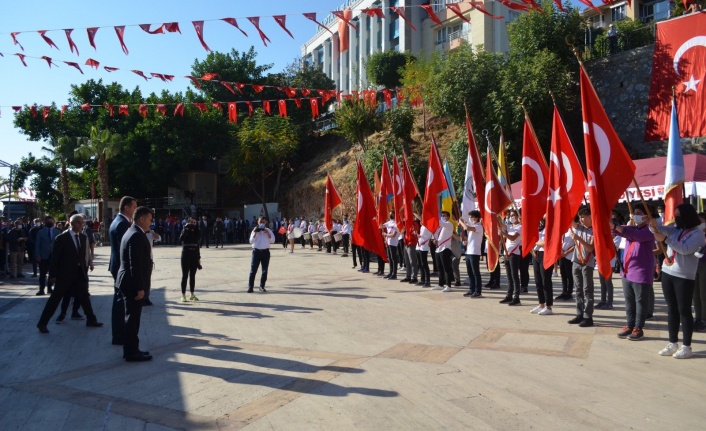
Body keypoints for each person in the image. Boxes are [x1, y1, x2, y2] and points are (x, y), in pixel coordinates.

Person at [651, 203, 705, 359]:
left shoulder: (697, 234)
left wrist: (666, 239)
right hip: (668, 272)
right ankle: (672, 342)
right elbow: (657, 231)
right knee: (672, 309)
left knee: (684, 311)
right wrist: (653, 225)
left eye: (678, 215)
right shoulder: (676, 229)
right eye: (675, 214)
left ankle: (687, 346)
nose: (675, 218)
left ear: (687, 216)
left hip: (684, 276)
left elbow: (685, 249)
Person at [36, 215, 103, 334]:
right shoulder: (61, 238)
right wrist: (52, 276)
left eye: (82, 223)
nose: (81, 225)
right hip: (64, 275)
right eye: (78, 223)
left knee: (84, 298)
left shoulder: (83, 237)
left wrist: (86, 267)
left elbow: (83, 255)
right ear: (71, 223)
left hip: (79, 273)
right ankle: (42, 323)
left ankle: (91, 320)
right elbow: (55, 259)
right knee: (55, 298)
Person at [610, 204, 656, 341]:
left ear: (646, 216)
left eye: (638, 213)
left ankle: (638, 328)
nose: (634, 215)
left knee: (640, 301)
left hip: (641, 272)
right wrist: (611, 223)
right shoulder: (633, 228)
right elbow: (621, 230)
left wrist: (615, 227)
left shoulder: (650, 230)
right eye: (634, 213)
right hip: (627, 271)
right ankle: (630, 325)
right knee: (629, 301)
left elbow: (635, 235)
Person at [115, 207, 154, 362]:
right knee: (132, 319)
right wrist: (139, 288)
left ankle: (133, 348)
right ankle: (131, 352)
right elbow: (134, 265)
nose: (151, 223)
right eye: (150, 219)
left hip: (128, 282)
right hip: (132, 284)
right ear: (142, 219)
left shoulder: (132, 231)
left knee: (132, 317)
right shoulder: (136, 235)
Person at [109, 196, 137, 346]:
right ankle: (118, 335)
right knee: (121, 303)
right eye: (133, 207)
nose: (135, 210)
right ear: (126, 207)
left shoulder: (118, 221)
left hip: (116, 266)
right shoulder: (122, 224)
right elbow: (126, 249)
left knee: (119, 301)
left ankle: (118, 334)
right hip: (121, 267)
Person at [568, 208, 596, 327]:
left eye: (583, 217)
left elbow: (591, 248)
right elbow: (570, 222)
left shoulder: (595, 231)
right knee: (578, 289)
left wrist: (578, 239)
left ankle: (588, 316)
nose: (581, 220)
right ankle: (579, 314)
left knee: (587, 290)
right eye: (579, 217)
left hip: (587, 263)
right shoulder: (580, 227)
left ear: (590, 217)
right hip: (576, 261)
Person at [531, 215, 555, 315]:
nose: (543, 218)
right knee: (538, 281)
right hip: (536, 253)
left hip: (546, 254)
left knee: (546, 280)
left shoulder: (552, 228)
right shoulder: (540, 227)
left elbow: (547, 242)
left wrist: (535, 241)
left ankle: (548, 306)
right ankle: (541, 304)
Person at [499, 210, 522, 305]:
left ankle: (516, 297)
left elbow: (513, 238)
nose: (511, 217)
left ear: (517, 216)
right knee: (509, 276)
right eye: (510, 215)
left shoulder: (520, 227)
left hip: (514, 254)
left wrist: (503, 233)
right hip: (506, 253)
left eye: (513, 215)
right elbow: (500, 224)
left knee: (514, 276)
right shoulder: (510, 226)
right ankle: (509, 295)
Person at [34, 217, 61, 295]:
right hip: (43, 256)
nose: (49, 222)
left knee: (52, 273)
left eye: (51, 221)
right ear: (45, 222)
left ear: (54, 222)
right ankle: (41, 289)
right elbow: (37, 244)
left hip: (54, 256)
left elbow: (60, 245)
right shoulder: (41, 232)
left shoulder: (58, 231)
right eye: (48, 221)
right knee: (42, 274)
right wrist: (37, 255)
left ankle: (50, 288)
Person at [459, 211, 484, 297]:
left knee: (475, 272)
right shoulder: (472, 227)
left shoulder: (479, 226)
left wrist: (461, 222)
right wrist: (465, 242)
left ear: (476, 218)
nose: (470, 219)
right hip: (468, 252)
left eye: (472, 217)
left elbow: (467, 227)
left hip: (475, 252)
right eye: (470, 217)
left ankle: (478, 291)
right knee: (470, 272)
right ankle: (471, 289)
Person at [248, 216, 275, 293]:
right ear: (257, 222)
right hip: (256, 252)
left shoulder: (268, 230)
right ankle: (250, 287)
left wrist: (267, 233)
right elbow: (251, 241)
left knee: (264, 270)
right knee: (253, 270)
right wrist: (255, 233)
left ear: (266, 222)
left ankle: (262, 286)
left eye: (263, 222)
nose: (262, 223)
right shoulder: (254, 230)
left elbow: (273, 240)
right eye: (260, 222)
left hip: (266, 252)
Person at [179, 218, 201, 302]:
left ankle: (192, 294)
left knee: (192, 275)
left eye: (195, 222)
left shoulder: (197, 231)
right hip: (186, 254)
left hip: (194, 254)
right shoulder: (185, 230)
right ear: (188, 223)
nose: (193, 224)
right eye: (191, 222)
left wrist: (199, 257)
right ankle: (183, 295)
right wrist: (185, 229)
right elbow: (181, 239)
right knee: (185, 275)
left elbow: (198, 243)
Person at [433, 211, 455, 291]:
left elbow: (439, 222)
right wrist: (435, 241)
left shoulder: (449, 224)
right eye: (441, 215)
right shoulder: (441, 227)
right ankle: (440, 284)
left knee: (447, 268)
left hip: (445, 249)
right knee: (440, 268)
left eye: (444, 216)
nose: (442, 217)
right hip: (438, 249)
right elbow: (436, 235)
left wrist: (432, 216)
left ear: (448, 217)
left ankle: (448, 285)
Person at [693, 213, 706, 331]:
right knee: (695, 294)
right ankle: (697, 317)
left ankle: (704, 319)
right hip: (694, 265)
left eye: (700, 221)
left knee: (703, 294)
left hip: (704, 265)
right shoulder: (696, 234)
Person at [555, 227, 575, 301]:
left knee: (569, 275)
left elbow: (576, 244)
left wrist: (567, 252)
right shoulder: (563, 230)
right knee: (563, 274)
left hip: (569, 255)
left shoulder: (573, 230)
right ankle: (564, 291)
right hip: (562, 254)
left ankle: (569, 293)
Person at [383, 213, 399, 280]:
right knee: (390, 258)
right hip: (388, 243)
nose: (390, 214)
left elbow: (393, 235)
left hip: (393, 243)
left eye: (391, 214)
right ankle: (391, 272)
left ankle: (394, 274)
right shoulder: (389, 222)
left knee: (393, 258)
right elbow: (381, 226)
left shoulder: (396, 223)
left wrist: (386, 234)